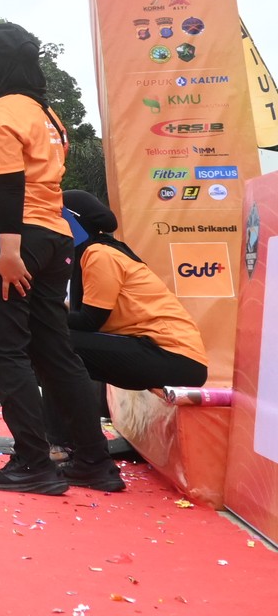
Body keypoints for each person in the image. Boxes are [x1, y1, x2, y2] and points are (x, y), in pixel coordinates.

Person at [0, 22, 123, 495]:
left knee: (4, 351)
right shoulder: (48, 115)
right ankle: (94, 462)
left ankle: (33, 461)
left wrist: (7, 251)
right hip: (52, 234)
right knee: (54, 350)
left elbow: (8, 183)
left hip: (1, 235)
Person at [56, 189, 207, 449]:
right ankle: (70, 443)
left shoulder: (99, 254)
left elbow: (90, 322)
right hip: (163, 353)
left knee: (55, 343)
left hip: (174, 358)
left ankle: (73, 446)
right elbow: (81, 314)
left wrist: (42, 314)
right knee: (53, 346)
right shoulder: (95, 252)